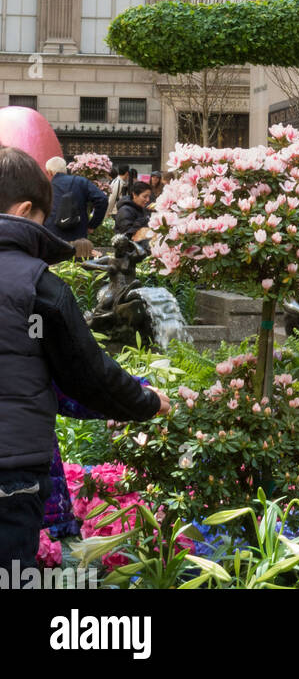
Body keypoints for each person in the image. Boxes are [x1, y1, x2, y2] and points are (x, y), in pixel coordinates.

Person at [0, 146, 169, 571]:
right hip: (11, 472)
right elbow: (86, 375)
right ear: (24, 210)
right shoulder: (38, 285)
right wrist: (149, 401)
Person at [44, 156, 108, 245]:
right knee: (78, 257)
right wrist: (92, 224)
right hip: (78, 237)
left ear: (49, 172)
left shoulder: (45, 188)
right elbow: (102, 199)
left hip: (52, 237)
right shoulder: (80, 182)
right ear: (65, 169)